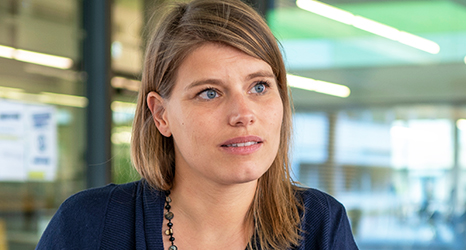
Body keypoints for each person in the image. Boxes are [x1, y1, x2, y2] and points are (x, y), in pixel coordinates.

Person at [36, 0, 358, 249]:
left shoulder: (319, 226)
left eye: (259, 86)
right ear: (161, 115)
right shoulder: (88, 226)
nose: (243, 114)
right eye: (209, 93)